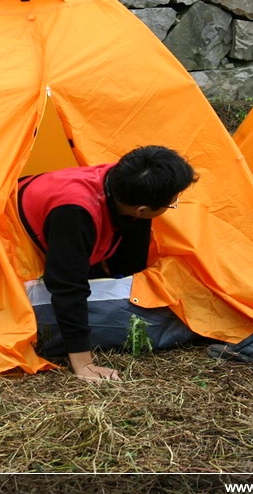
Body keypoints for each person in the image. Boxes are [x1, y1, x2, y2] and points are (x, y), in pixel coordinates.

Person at [17, 145, 198, 382]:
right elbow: (66, 286)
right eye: (173, 202)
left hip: (59, 235)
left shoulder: (125, 184)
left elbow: (131, 260)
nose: (173, 203)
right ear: (142, 210)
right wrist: (84, 364)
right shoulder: (74, 212)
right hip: (11, 261)